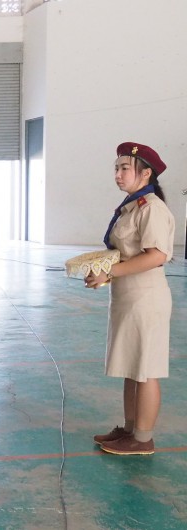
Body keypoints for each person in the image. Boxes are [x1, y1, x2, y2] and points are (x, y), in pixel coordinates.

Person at [87, 142, 174, 456]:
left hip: (145, 298)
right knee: (131, 366)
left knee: (145, 369)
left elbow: (156, 256)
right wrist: (100, 268)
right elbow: (124, 251)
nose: (118, 174)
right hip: (128, 296)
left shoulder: (151, 208)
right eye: (116, 168)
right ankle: (129, 430)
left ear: (145, 173)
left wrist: (109, 273)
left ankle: (143, 439)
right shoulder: (131, 206)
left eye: (125, 168)